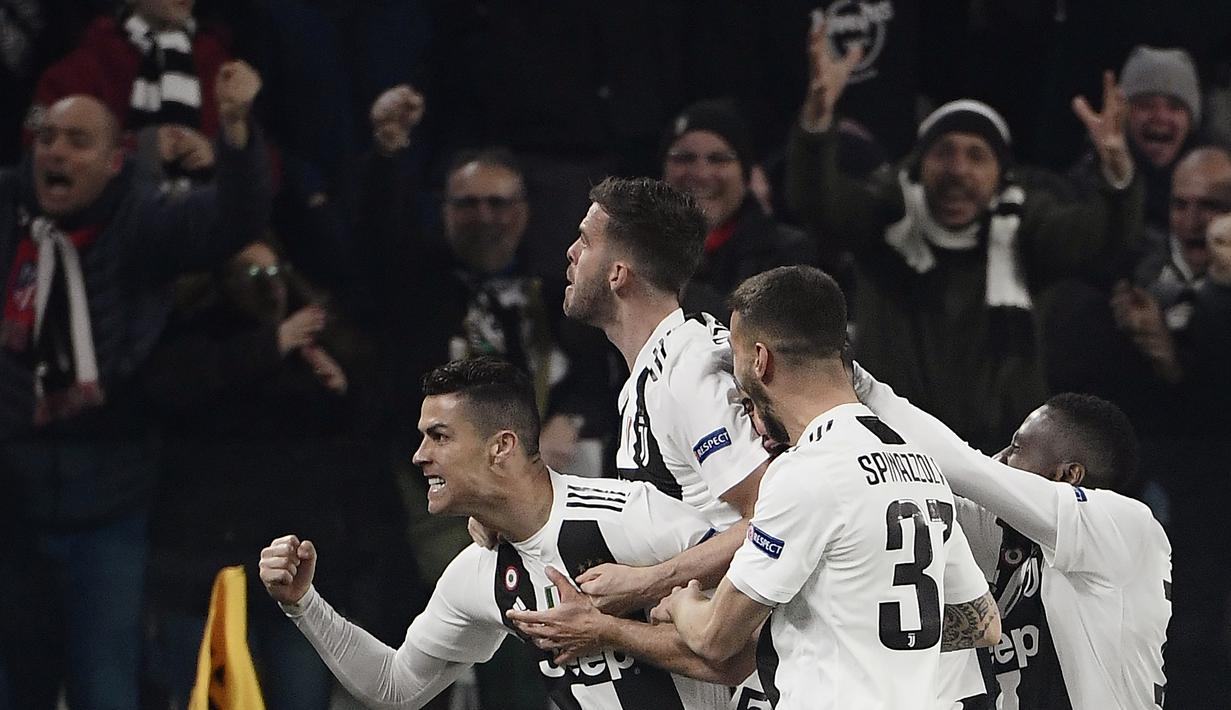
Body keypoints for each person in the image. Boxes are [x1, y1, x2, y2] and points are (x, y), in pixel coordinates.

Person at [258, 357, 754, 710]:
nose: (419, 455)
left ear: (501, 447)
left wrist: (613, 630)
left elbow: (748, 639)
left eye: (439, 436)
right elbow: (396, 686)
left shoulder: (626, 516)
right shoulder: (477, 573)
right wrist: (303, 603)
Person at [0, 63, 268, 709]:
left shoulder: (141, 220)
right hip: (10, 502)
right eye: (48, 138)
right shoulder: (6, 212)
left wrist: (236, 134)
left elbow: (231, 219)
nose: (56, 152)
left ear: (116, 160)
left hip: (111, 503)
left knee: (106, 683)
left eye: (78, 141)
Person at [786, 17, 1142, 455]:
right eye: (944, 152)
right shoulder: (885, 220)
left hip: (1001, 453)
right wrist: (817, 120)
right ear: (919, 165)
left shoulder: (1025, 229)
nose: (958, 170)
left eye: (976, 156)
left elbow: (1107, 237)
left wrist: (1117, 170)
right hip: (890, 447)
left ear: (1000, 174)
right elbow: (814, 200)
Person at [649, 265, 998, 709]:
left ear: (760, 359)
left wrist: (681, 603)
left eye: (736, 354)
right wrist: (867, 624)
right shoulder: (920, 465)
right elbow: (982, 623)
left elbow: (715, 637)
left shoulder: (806, 472)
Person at [855, 369, 1172, 709]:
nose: (1000, 457)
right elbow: (922, 487)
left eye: (1016, 448)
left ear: (1067, 475)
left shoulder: (1123, 526)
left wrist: (863, 385)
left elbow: (968, 468)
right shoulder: (1018, 538)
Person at [30, 0, 233, 189]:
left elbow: (246, 155)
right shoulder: (84, 67)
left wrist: (217, 152)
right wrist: (138, 148)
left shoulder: (218, 62)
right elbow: (36, 156)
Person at [660, 98, 815, 321]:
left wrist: (677, 296)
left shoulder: (787, 257)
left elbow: (769, 333)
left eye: (718, 159)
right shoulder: (636, 251)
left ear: (746, 175)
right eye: (684, 158)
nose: (701, 174)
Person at [1069, 46, 1203, 239]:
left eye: (1174, 107)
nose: (1160, 116)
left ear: (1191, 122)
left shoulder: (1215, 191)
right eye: (1146, 105)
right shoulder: (1086, 183)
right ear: (1123, 114)